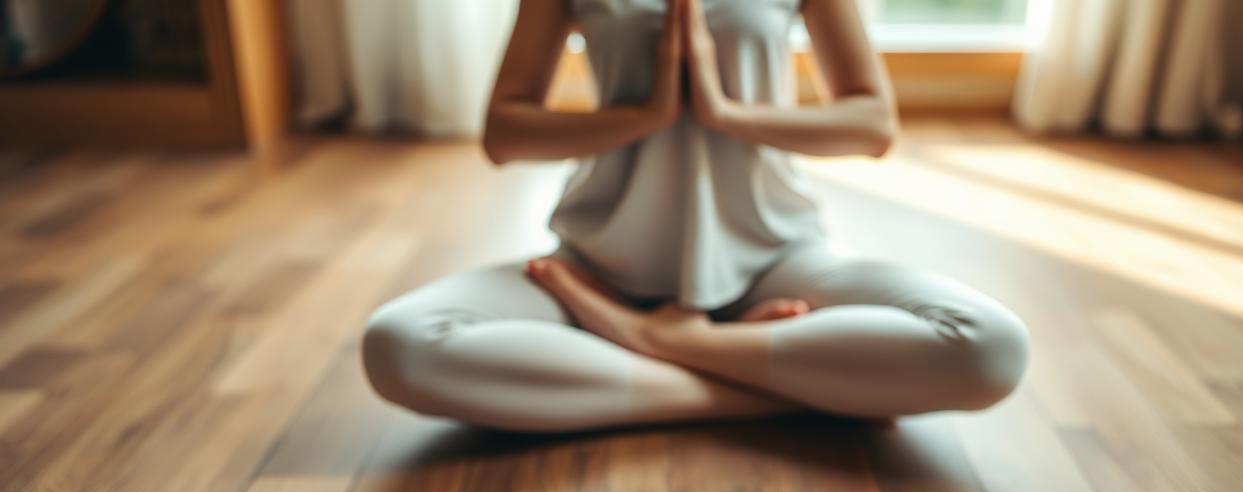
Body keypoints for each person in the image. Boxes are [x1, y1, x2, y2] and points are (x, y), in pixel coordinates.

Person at [362, 0, 1028, 432]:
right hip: (598, 268)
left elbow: (872, 122)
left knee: (990, 348)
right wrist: (642, 116)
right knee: (398, 346)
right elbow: (504, 132)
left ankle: (657, 342)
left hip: (775, 262)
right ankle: (755, 385)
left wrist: (725, 112)